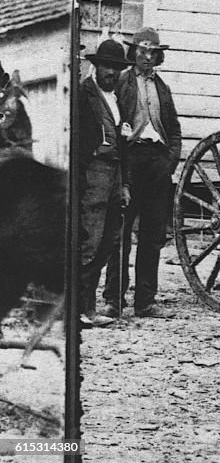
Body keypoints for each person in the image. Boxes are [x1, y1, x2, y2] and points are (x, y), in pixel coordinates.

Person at [100, 28, 182, 319]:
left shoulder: (162, 87)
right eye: (142, 50)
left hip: (157, 162)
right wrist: (120, 166)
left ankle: (145, 301)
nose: (147, 56)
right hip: (130, 161)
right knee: (120, 233)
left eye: (152, 51)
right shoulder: (122, 82)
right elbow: (112, 122)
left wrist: (170, 161)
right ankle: (114, 300)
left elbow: (173, 128)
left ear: (158, 55)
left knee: (153, 235)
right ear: (133, 52)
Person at [78, 39, 132, 328]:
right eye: (107, 66)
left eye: (117, 68)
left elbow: (123, 147)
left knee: (108, 242)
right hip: (93, 174)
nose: (112, 73)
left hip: (114, 174)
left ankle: (89, 309)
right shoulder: (83, 95)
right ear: (95, 66)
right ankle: (76, 309)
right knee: (89, 241)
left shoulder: (117, 98)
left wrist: (124, 185)